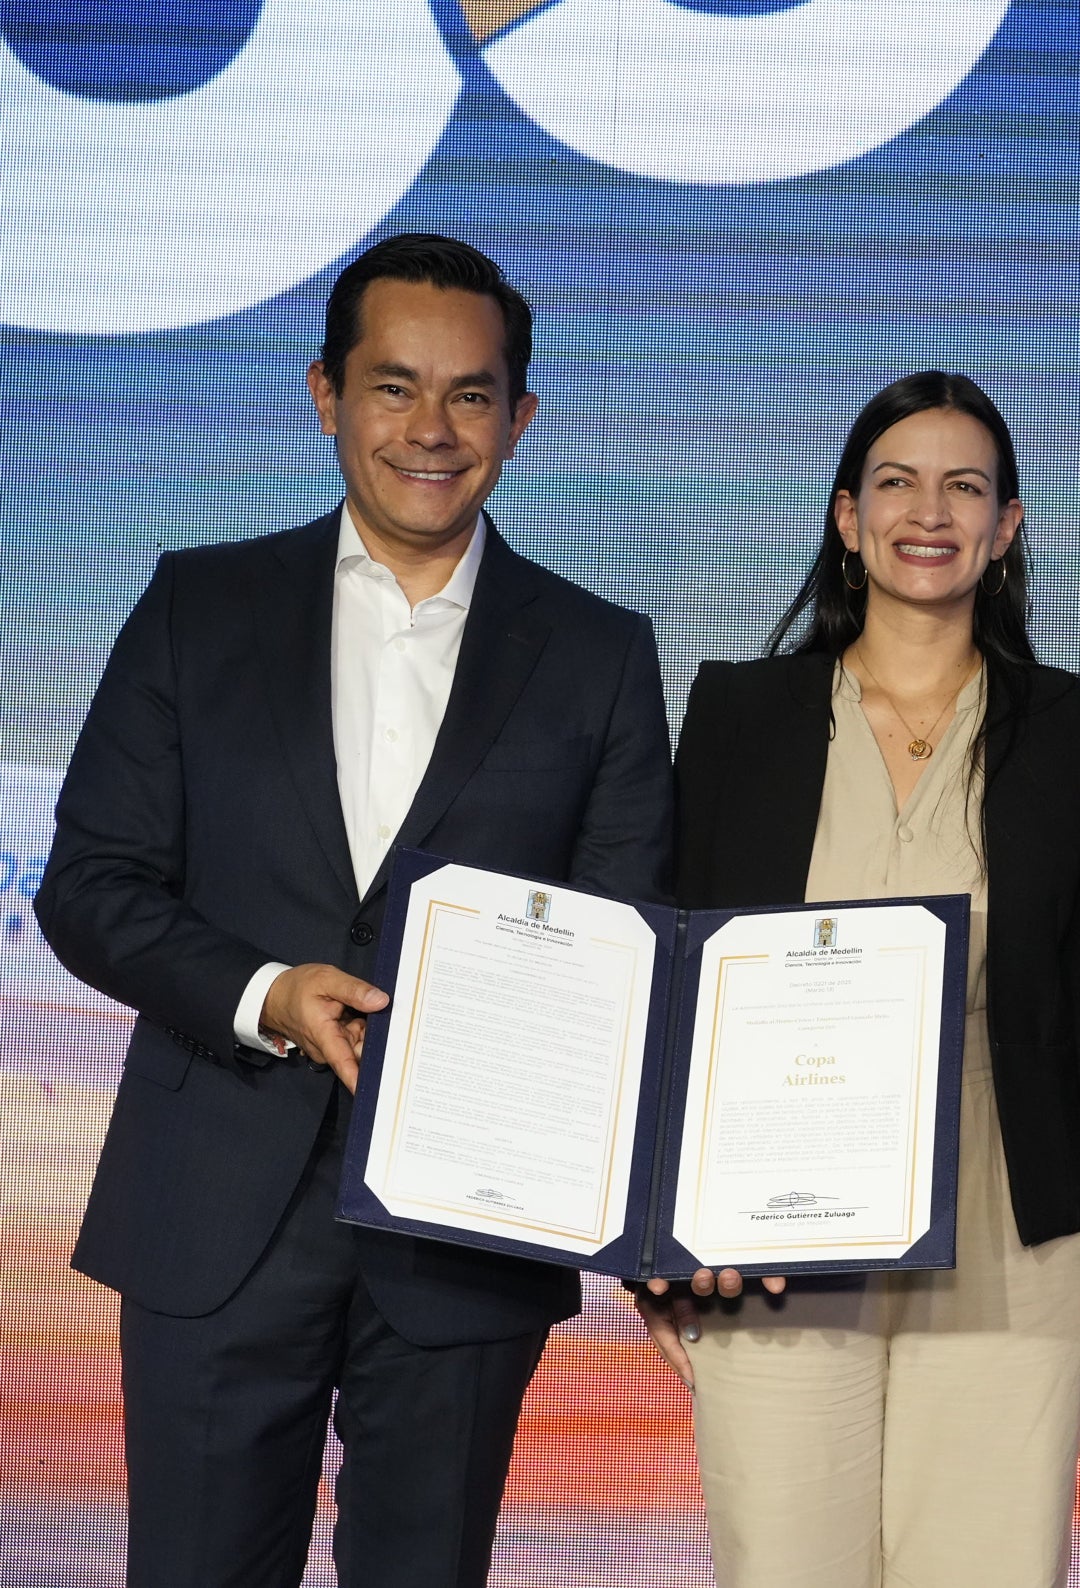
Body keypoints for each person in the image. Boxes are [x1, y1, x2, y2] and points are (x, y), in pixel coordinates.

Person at [35, 233, 673, 1588]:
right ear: (325, 393)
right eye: (393, 388)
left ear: (523, 416)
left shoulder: (600, 651)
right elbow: (90, 886)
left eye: (471, 394)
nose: (431, 430)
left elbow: (629, 941)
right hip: (215, 1207)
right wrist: (267, 991)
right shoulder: (197, 607)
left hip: (472, 1226)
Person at [639, 371, 1080, 1587]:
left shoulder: (1070, 731)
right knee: (788, 1561)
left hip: (1011, 1216)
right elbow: (675, 972)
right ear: (846, 517)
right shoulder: (740, 712)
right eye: (895, 481)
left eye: (964, 486)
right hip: (773, 1223)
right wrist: (653, 1239)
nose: (926, 510)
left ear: (1006, 528)